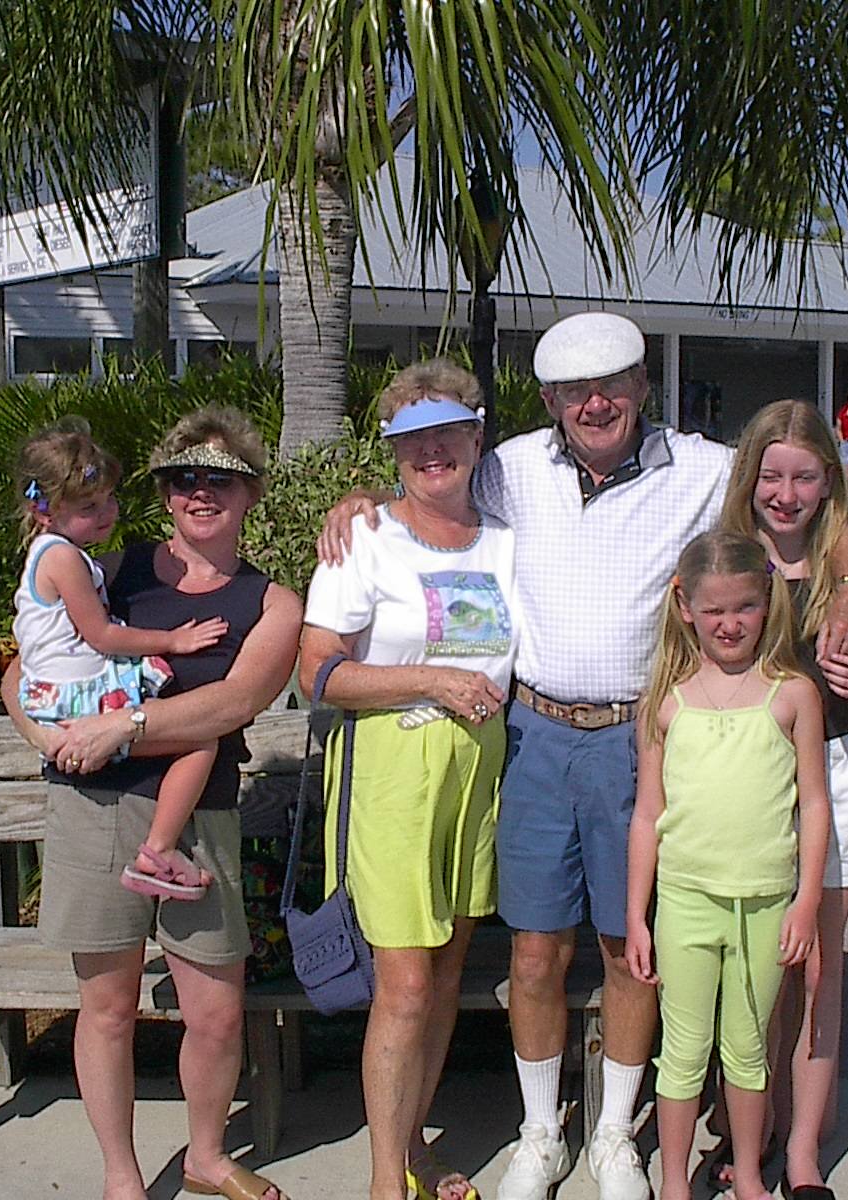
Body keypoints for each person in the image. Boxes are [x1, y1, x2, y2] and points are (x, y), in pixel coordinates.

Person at [320, 312, 848, 1200]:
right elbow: (424, 482)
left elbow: (813, 492)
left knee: (626, 948)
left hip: (635, 738)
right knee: (535, 950)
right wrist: (358, 503)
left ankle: (614, 1133)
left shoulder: (700, 468)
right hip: (534, 735)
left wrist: (847, 585)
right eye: (575, 392)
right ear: (549, 401)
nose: (596, 403)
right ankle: (542, 1133)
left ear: (643, 386)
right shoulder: (507, 468)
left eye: (613, 384)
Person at [1, 406, 302, 1200]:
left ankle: (207, 1155)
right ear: (164, 493)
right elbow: (21, 666)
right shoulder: (108, 569)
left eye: (222, 480)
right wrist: (49, 737)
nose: (201, 492)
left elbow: (231, 704)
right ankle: (122, 1175)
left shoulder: (272, 604)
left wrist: (123, 726)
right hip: (95, 810)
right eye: (183, 478)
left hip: (200, 820)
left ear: (252, 493)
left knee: (217, 1013)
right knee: (107, 1010)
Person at [300, 360, 517, 1200]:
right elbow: (318, 672)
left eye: (447, 432)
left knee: (448, 973)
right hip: (392, 772)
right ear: (392, 449)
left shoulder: (508, 538)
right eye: (411, 438)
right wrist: (430, 680)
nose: (432, 451)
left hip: (477, 772)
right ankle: (385, 1181)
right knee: (406, 982)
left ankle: (415, 1150)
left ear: (476, 438)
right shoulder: (363, 540)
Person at [721, 400, 848, 1200]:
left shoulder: (844, 570)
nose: (785, 495)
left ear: (829, 480)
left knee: (821, 968)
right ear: (749, 477)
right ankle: (754, 1127)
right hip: (753, 781)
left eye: (802, 477)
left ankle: (801, 1157)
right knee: (759, 969)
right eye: (772, 476)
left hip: (837, 774)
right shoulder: (730, 557)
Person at [625, 530, 829, 1200]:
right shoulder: (666, 701)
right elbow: (647, 814)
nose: (730, 624)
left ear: (767, 602)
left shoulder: (793, 695)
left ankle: (748, 1175)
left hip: (765, 903)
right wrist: (637, 915)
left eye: (744, 607)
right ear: (685, 607)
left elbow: (814, 804)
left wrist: (805, 901)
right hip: (685, 900)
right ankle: (675, 1182)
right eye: (714, 610)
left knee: (747, 1049)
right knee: (682, 1052)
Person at [12, 416, 227, 899]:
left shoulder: (54, 553)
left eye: (109, 498)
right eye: (88, 506)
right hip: (76, 704)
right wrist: (172, 641)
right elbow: (102, 635)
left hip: (58, 696)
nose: (106, 512)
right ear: (45, 512)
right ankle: (159, 851)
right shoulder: (63, 558)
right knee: (201, 740)